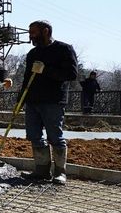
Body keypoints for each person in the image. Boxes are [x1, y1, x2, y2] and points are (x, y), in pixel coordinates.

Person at [19, 20, 79, 185]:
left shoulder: (64, 49)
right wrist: (20, 99)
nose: (30, 36)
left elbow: (71, 74)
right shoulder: (32, 54)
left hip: (53, 100)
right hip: (33, 101)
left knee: (55, 136)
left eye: (33, 32)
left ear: (45, 31)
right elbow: (26, 78)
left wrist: (45, 70)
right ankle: (41, 170)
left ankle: (60, 172)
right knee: (35, 136)